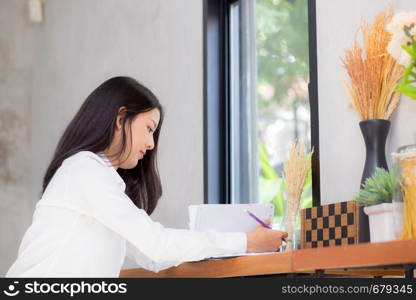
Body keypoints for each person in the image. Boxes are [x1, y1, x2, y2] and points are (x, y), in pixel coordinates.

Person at [6, 76, 287, 277]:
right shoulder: (84, 170)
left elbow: (152, 255)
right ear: (120, 119)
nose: (152, 144)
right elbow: (157, 244)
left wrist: (229, 244)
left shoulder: (94, 177)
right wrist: (248, 241)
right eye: (149, 128)